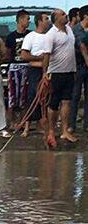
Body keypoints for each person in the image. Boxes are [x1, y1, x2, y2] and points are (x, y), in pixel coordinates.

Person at [42, 8, 78, 146]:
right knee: (54, 103)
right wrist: (45, 73)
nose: (66, 15)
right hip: (56, 73)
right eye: (63, 14)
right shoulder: (51, 35)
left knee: (67, 101)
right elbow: (46, 55)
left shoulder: (69, 30)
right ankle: (51, 130)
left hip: (69, 71)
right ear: (56, 19)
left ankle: (64, 130)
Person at [20, 12, 52, 137]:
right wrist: (40, 58)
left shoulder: (50, 36)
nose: (48, 21)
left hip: (48, 71)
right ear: (39, 21)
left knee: (46, 98)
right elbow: (24, 55)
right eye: (46, 19)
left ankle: (42, 125)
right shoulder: (30, 36)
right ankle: (27, 127)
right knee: (32, 97)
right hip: (35, 70)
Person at [69, 5, 88, 132]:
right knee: (74, 95)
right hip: (77, 66)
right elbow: (81, 46)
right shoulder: (75, 30)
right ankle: (71, 124)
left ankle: (87, 124)